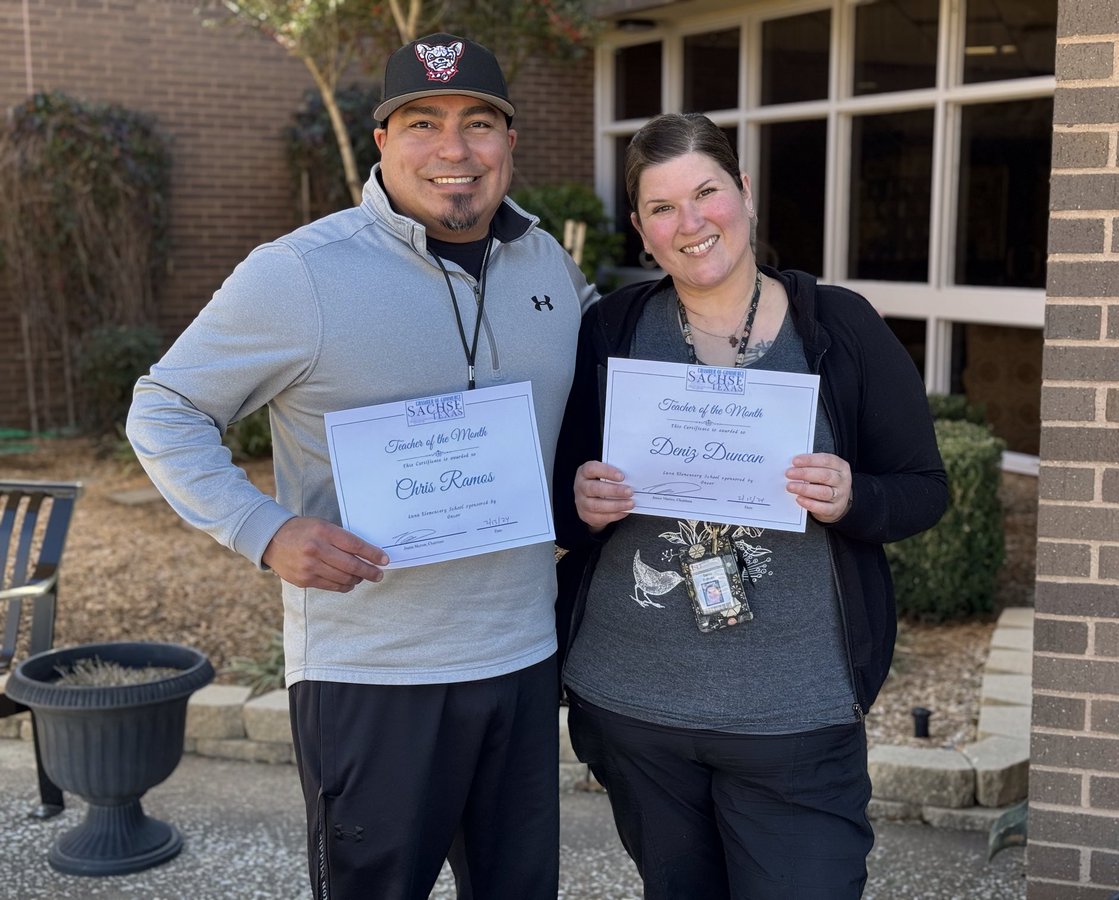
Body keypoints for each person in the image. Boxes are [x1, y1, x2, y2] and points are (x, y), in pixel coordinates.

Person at [127, 33, 596, 900]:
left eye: (479, 123)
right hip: (375, 675)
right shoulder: (300, 273)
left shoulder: (550, 267)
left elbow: (596, 396)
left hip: (523, 657)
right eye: (423, 123)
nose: (454, 150)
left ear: (510, 142)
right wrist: (261, 529)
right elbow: (164, 407)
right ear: (383, 142)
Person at [552, 112, 948, 899]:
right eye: (663, 208)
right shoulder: (612, 331)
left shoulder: (838, 326)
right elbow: (560, 498)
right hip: (636, 709)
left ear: (747, 194)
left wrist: (852, 497)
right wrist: (579, 504)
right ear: (641, 229)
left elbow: (923, 489)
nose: (691, 223)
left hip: (794, 715)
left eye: (707, 192)